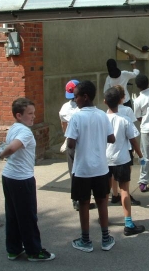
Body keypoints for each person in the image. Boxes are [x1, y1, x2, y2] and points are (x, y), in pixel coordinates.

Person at [0, 98, 55, 262]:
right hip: (21, 179)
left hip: (10, 177)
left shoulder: (14, 128)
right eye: (30, 114)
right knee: (28, 216)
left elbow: (9, 145)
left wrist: (1, 151)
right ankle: (34, 251)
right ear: (19, 115)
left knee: (13, 215)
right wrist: (0, 154)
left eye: (34, 113)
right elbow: (12, 148)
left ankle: (14, 250)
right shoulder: (25, 132)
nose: (33, 116)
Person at [65, 80, 116, 253]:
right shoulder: (102, 115)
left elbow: (70, 144)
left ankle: (85, 240)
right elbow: (112, 139)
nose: (75, 100)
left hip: (83, 169)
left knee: (84, 203)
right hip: (101, 168)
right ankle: (105, 238)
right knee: (102, 201)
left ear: (85, 97)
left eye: (76, 96)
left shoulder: (77, 117)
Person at [104, 87, 147, 236]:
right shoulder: (125, 120)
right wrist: (141, 156)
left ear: (105, 102)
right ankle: (128, 223)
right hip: (122, 159)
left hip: (104, 160)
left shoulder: (101, 118)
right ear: (121, 100)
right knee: (124, 191)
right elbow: (133, 141)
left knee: (104, 191)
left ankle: (104, 219)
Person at [59, 79, 96, 211]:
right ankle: (83, 200)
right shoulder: (83, 110)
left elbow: (64, 127)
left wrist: (68, 137)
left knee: (73, 172)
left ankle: (76, 200)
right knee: (85, 174)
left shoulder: (64, 108)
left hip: (70, 142)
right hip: (83, 144)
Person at [107, 85, 141, 206]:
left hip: (109, 151)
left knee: (110, 175)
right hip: (125, 148)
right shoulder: (127, 111)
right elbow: (131, 133)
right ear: (123, 98)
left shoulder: (106, 113)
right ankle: (124, 196)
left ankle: (114, 194)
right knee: (125, 178)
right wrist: (140, 154)